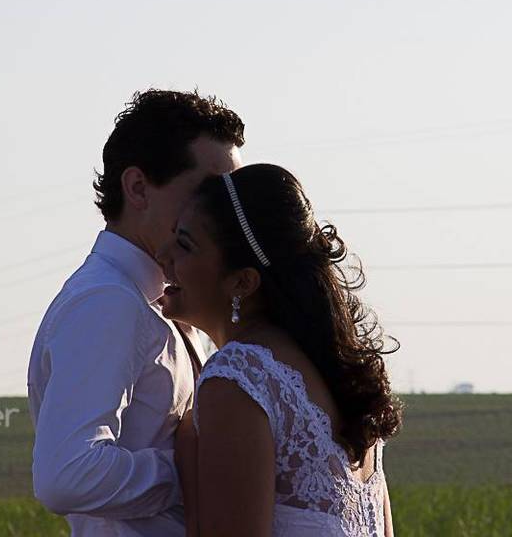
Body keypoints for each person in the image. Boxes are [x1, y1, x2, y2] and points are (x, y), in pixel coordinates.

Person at [27, 89, 244, 536]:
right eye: (208, 193)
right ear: (139, 188)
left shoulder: (166, 301)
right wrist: (195, 473)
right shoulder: (106, 304)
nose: (227, 215)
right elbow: (67, 475)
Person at [156, 163, 402, 536]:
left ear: (242, 282)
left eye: (185, 244)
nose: (162, 253)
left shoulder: (240, 376)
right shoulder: (337, 380)